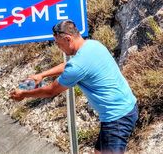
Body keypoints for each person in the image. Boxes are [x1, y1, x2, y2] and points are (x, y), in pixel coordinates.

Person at [10, 19, 138, 154]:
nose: (59, 48)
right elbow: (70, 65)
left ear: (68, 39)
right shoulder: (93, 45)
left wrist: (23, 94)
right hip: (125, 107)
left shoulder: (77, 66)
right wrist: (42, 75)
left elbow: (51, 91)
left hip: (117, 118)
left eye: (59, 44)